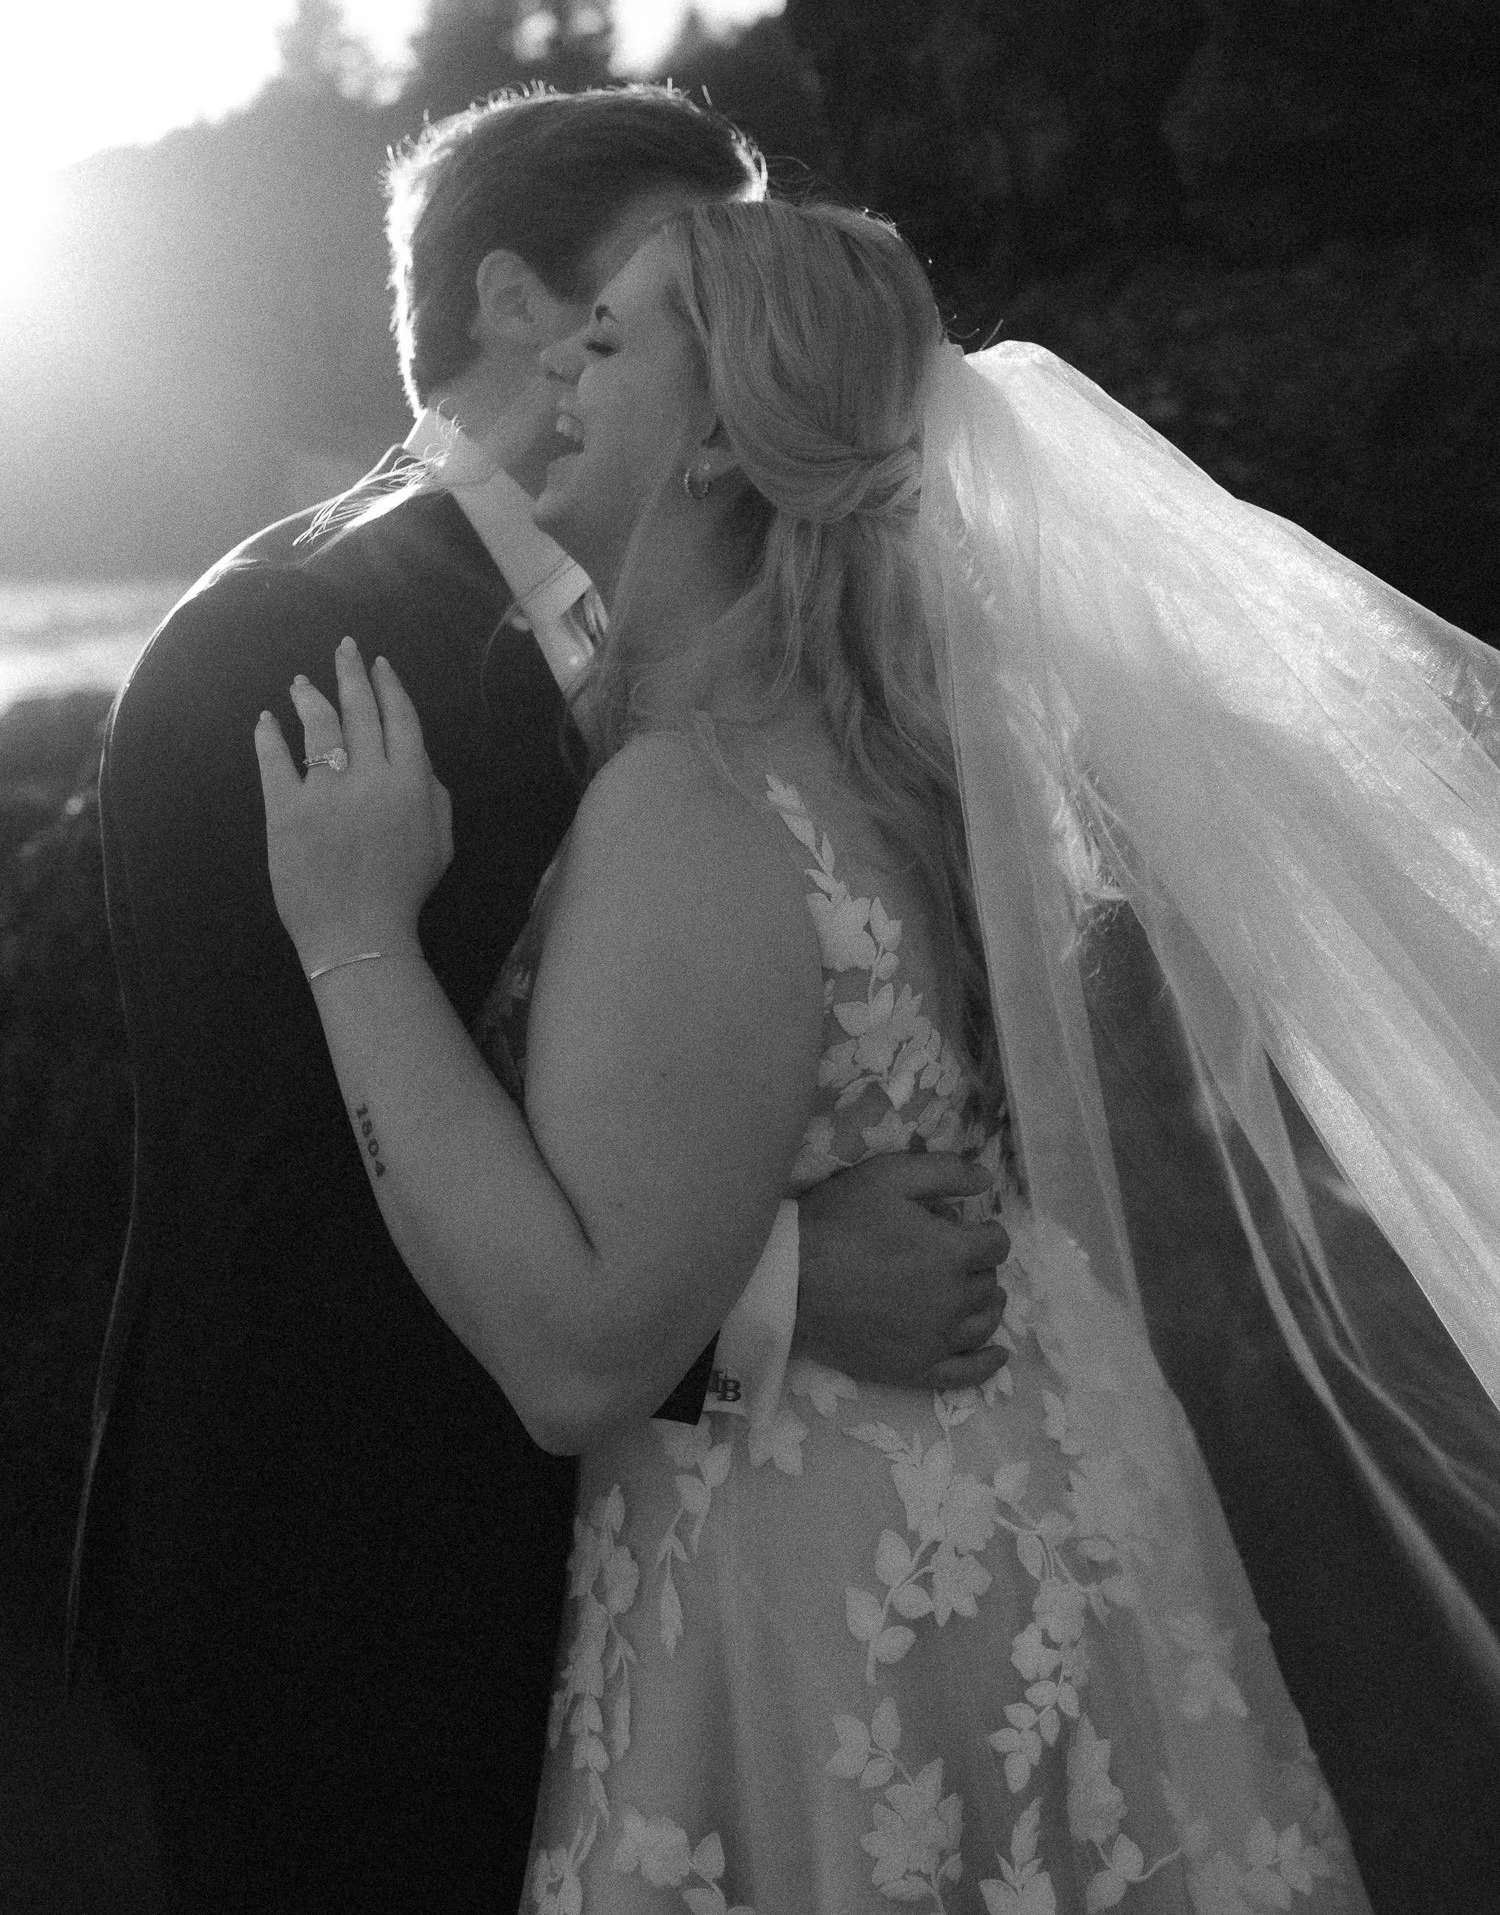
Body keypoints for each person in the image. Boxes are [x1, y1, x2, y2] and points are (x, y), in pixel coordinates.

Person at [256, 197, 1499, 1906]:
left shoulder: (692, 802)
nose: (556, 360)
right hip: (1014, 1512)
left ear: (715, 445)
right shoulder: (894, 770)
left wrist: (353, 932)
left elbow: (579, 1353)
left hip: (825, 1583)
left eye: (608, 340)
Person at [68, 97, 1008, 1915]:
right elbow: (279, 1200)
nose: (661, 327)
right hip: (343, 1607)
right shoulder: (295, 637)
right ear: (514, 297)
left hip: (624, 1596)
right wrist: (788, 1288)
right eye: (656, 281)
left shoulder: (707, 642)